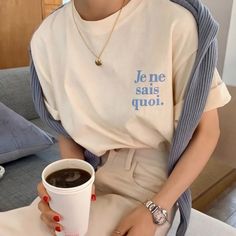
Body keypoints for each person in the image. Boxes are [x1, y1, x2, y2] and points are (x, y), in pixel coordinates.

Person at [29, 0, 231, 235]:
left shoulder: (174, 21)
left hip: (154, 185)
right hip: (91, 175)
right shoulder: (46, 38)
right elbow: (67, 133)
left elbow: (207, 132)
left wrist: (156, 208)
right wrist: (71, 191)